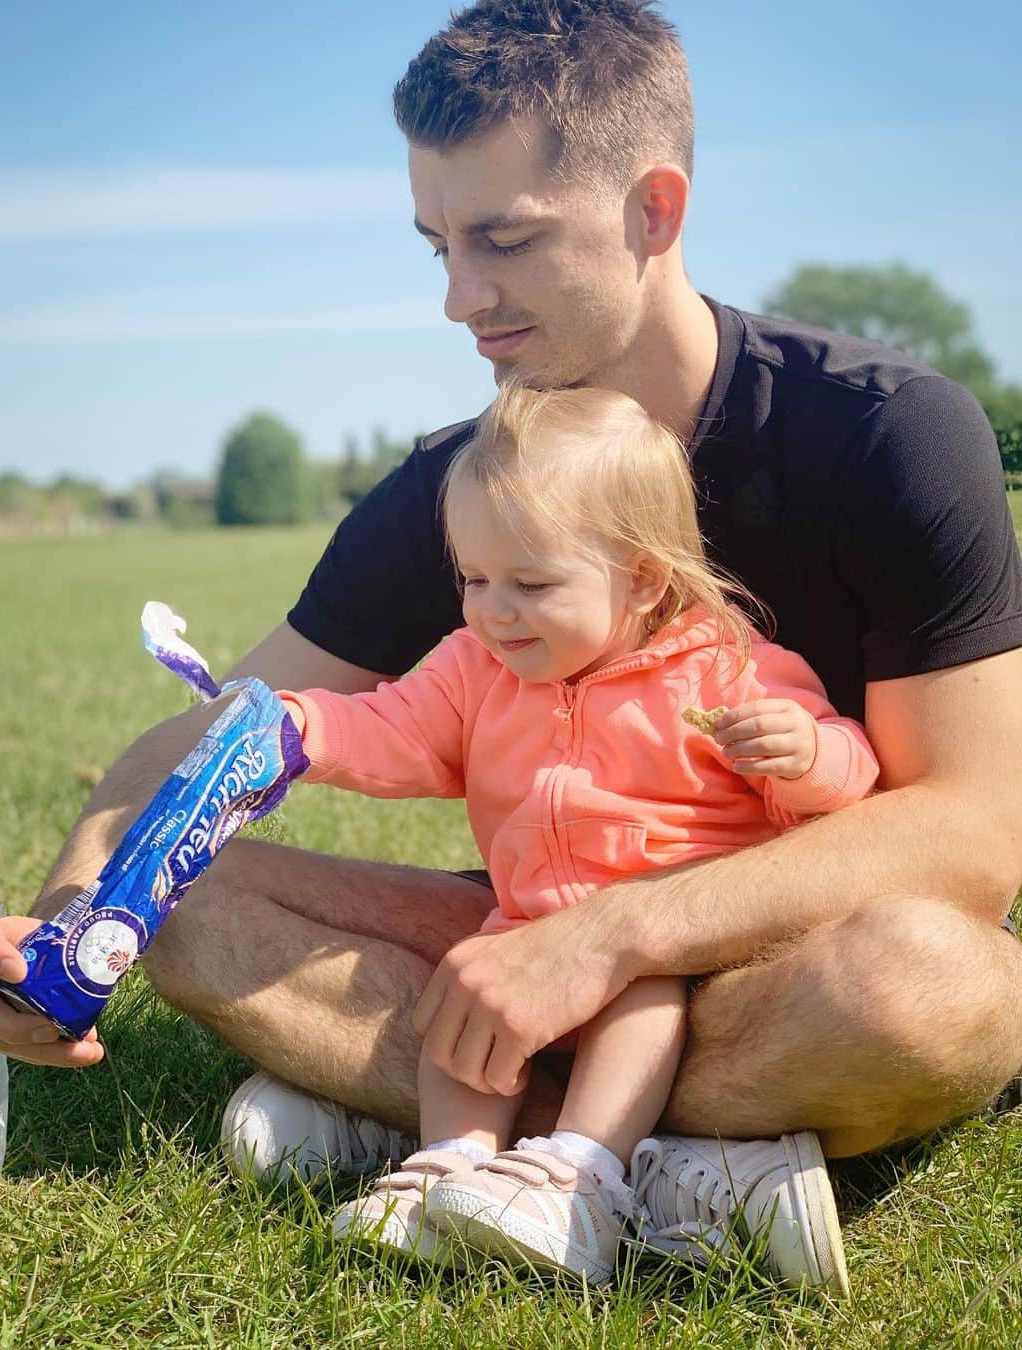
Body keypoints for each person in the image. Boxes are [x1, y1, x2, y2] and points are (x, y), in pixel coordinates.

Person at [0, 0, 1022, 1296]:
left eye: (504, 241)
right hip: (518, 920)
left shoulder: (887, 436)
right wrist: (79, 923)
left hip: (780, 957)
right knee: (187, 895)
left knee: (939, 981)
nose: (461, 298)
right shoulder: (468, 489)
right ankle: (675, 1171)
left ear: (654, 209)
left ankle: (447, 1129)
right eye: (439, 244)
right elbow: (228, 727)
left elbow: (973, 838)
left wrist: (619, 936)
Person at [275, 382, 878, 1287]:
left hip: (674, 941)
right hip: (530, 926)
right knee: (469, 990)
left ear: (640, 575)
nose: (492, 611)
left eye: (530, 582)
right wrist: (299, 730)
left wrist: (804, 755)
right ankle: (451, 1168)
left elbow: (850, 784)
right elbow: (391, 726)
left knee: (641, 997)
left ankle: (579, 1177)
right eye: (474, 579)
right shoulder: (477, 668)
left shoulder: (721, 668)